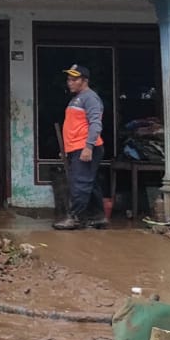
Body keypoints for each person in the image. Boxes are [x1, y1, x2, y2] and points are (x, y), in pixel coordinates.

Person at [55, 63, 106, 230]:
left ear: (84, 81)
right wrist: (66, 150)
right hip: (76, 148)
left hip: (85, 147)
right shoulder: (76, 98)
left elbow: (96, 124)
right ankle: (98, 217)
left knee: (80, 183)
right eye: (69, 79)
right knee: (90, 183)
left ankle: (75, 218)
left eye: (74, 79)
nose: (69, 82)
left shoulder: (90, 98)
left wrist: (88, 147)